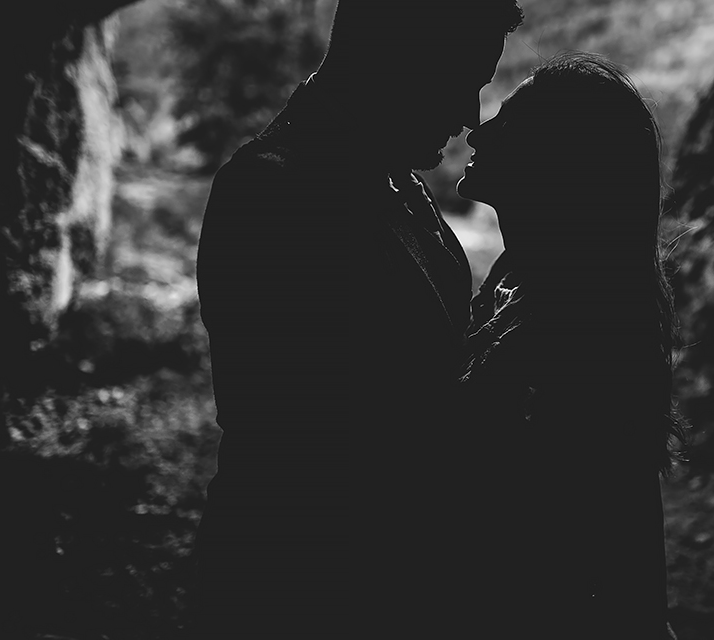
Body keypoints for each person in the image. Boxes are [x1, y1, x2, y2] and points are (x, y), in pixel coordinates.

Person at [191, 2, 523, 637]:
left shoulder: (391, 176)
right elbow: (318, 446)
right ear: (395, 57)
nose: (469, 116)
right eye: (461, 83)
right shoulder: (273, 193)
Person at [455, 51, 686, 638]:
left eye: (507, 124)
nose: (477, 133)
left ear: (556, 161)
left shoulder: (582, 332)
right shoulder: (516, 276)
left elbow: (623, 543)